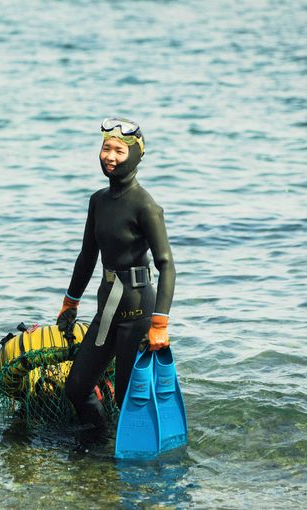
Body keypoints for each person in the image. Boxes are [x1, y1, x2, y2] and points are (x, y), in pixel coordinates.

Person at [57, 117, 176, 441]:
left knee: (128, 398)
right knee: (76, 387)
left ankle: (131, 452)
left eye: (119, 151)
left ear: (136, 155)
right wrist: (70, 302)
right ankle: (102, 441)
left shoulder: (146, 206)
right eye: (106, 148)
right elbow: (87, 257)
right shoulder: (98, 201)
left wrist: (160, 323)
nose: (110, 157)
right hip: (107, 310)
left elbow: (166, 265)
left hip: (139, 311)